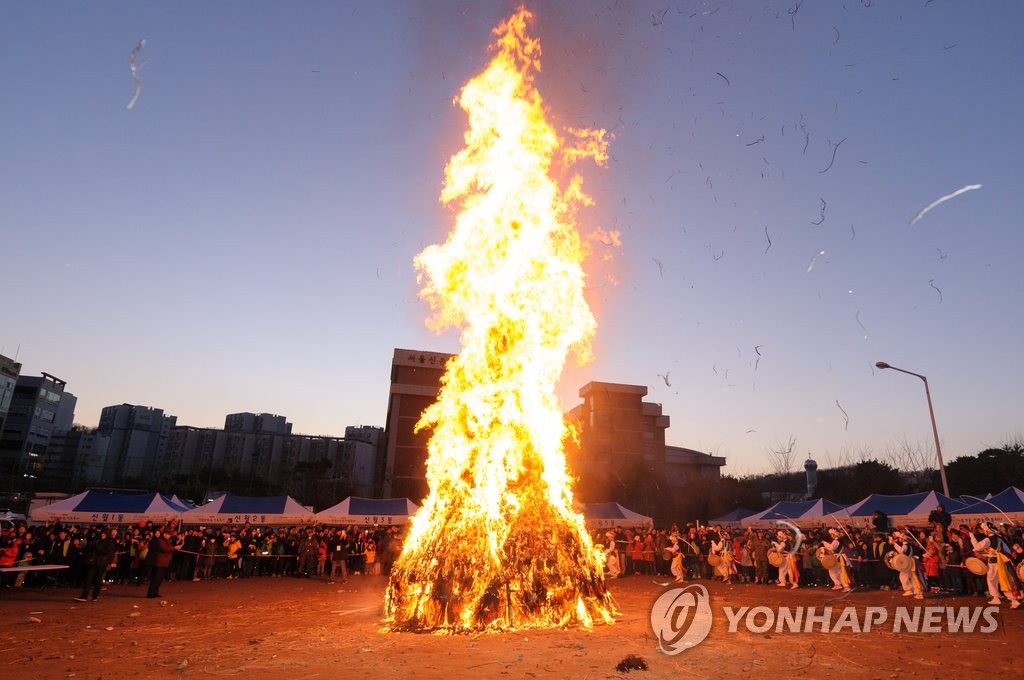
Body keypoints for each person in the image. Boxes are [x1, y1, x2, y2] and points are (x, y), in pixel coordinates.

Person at [968, 522, 1021, 608]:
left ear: (987, 530)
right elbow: (1006, 550)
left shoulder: (988, 540)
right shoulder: (999, 538)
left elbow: (977, 547)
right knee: (1003, 581)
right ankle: (1013, 600)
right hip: (1001, 563)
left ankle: (996, 598)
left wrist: (971, 536)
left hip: (993, 564)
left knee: (992, 580)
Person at [75, 527, 117, 602]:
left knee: (98, 580)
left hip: (102, 563)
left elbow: (107, 552)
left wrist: (109, 562)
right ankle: (85, 595)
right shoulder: (98, 540)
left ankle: (95, 595)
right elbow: (91, 549)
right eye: (102, 533)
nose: (102, 535)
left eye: (104, 533)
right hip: (94, 562)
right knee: (88, 579)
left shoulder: (109, 542)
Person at [891, 531, 924, 600]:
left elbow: (901, 551)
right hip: (910, 562)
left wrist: (895, 544)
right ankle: (916, 592)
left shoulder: (905, 545)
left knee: (905, 576)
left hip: (909, 563)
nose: (899, 539)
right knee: (912, 577)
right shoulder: (909, 545)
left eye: (900, 538)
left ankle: (910, 590)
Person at [146, 525, 175, 599]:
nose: (169, 536)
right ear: (165, 534)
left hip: (164, 562)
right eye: (169, 534)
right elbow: (165, 548)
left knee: (159, 579)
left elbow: (168, 548)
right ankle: (150, 593)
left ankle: (155, 592)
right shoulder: (160, 540)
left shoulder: (166, 541)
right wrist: (174, 548)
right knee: (156, 578)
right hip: (159, 562)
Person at [821, 528, 852, 592]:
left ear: (833, 535)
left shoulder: (836, 541)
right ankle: (843, 585)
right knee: (838, 573)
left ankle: (839, 584)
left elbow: (831, 547)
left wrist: (824, 543)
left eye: (831, 535)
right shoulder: (838, 541)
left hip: (838, 558)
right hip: (839, 558)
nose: (831, 536)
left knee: (832, 571)